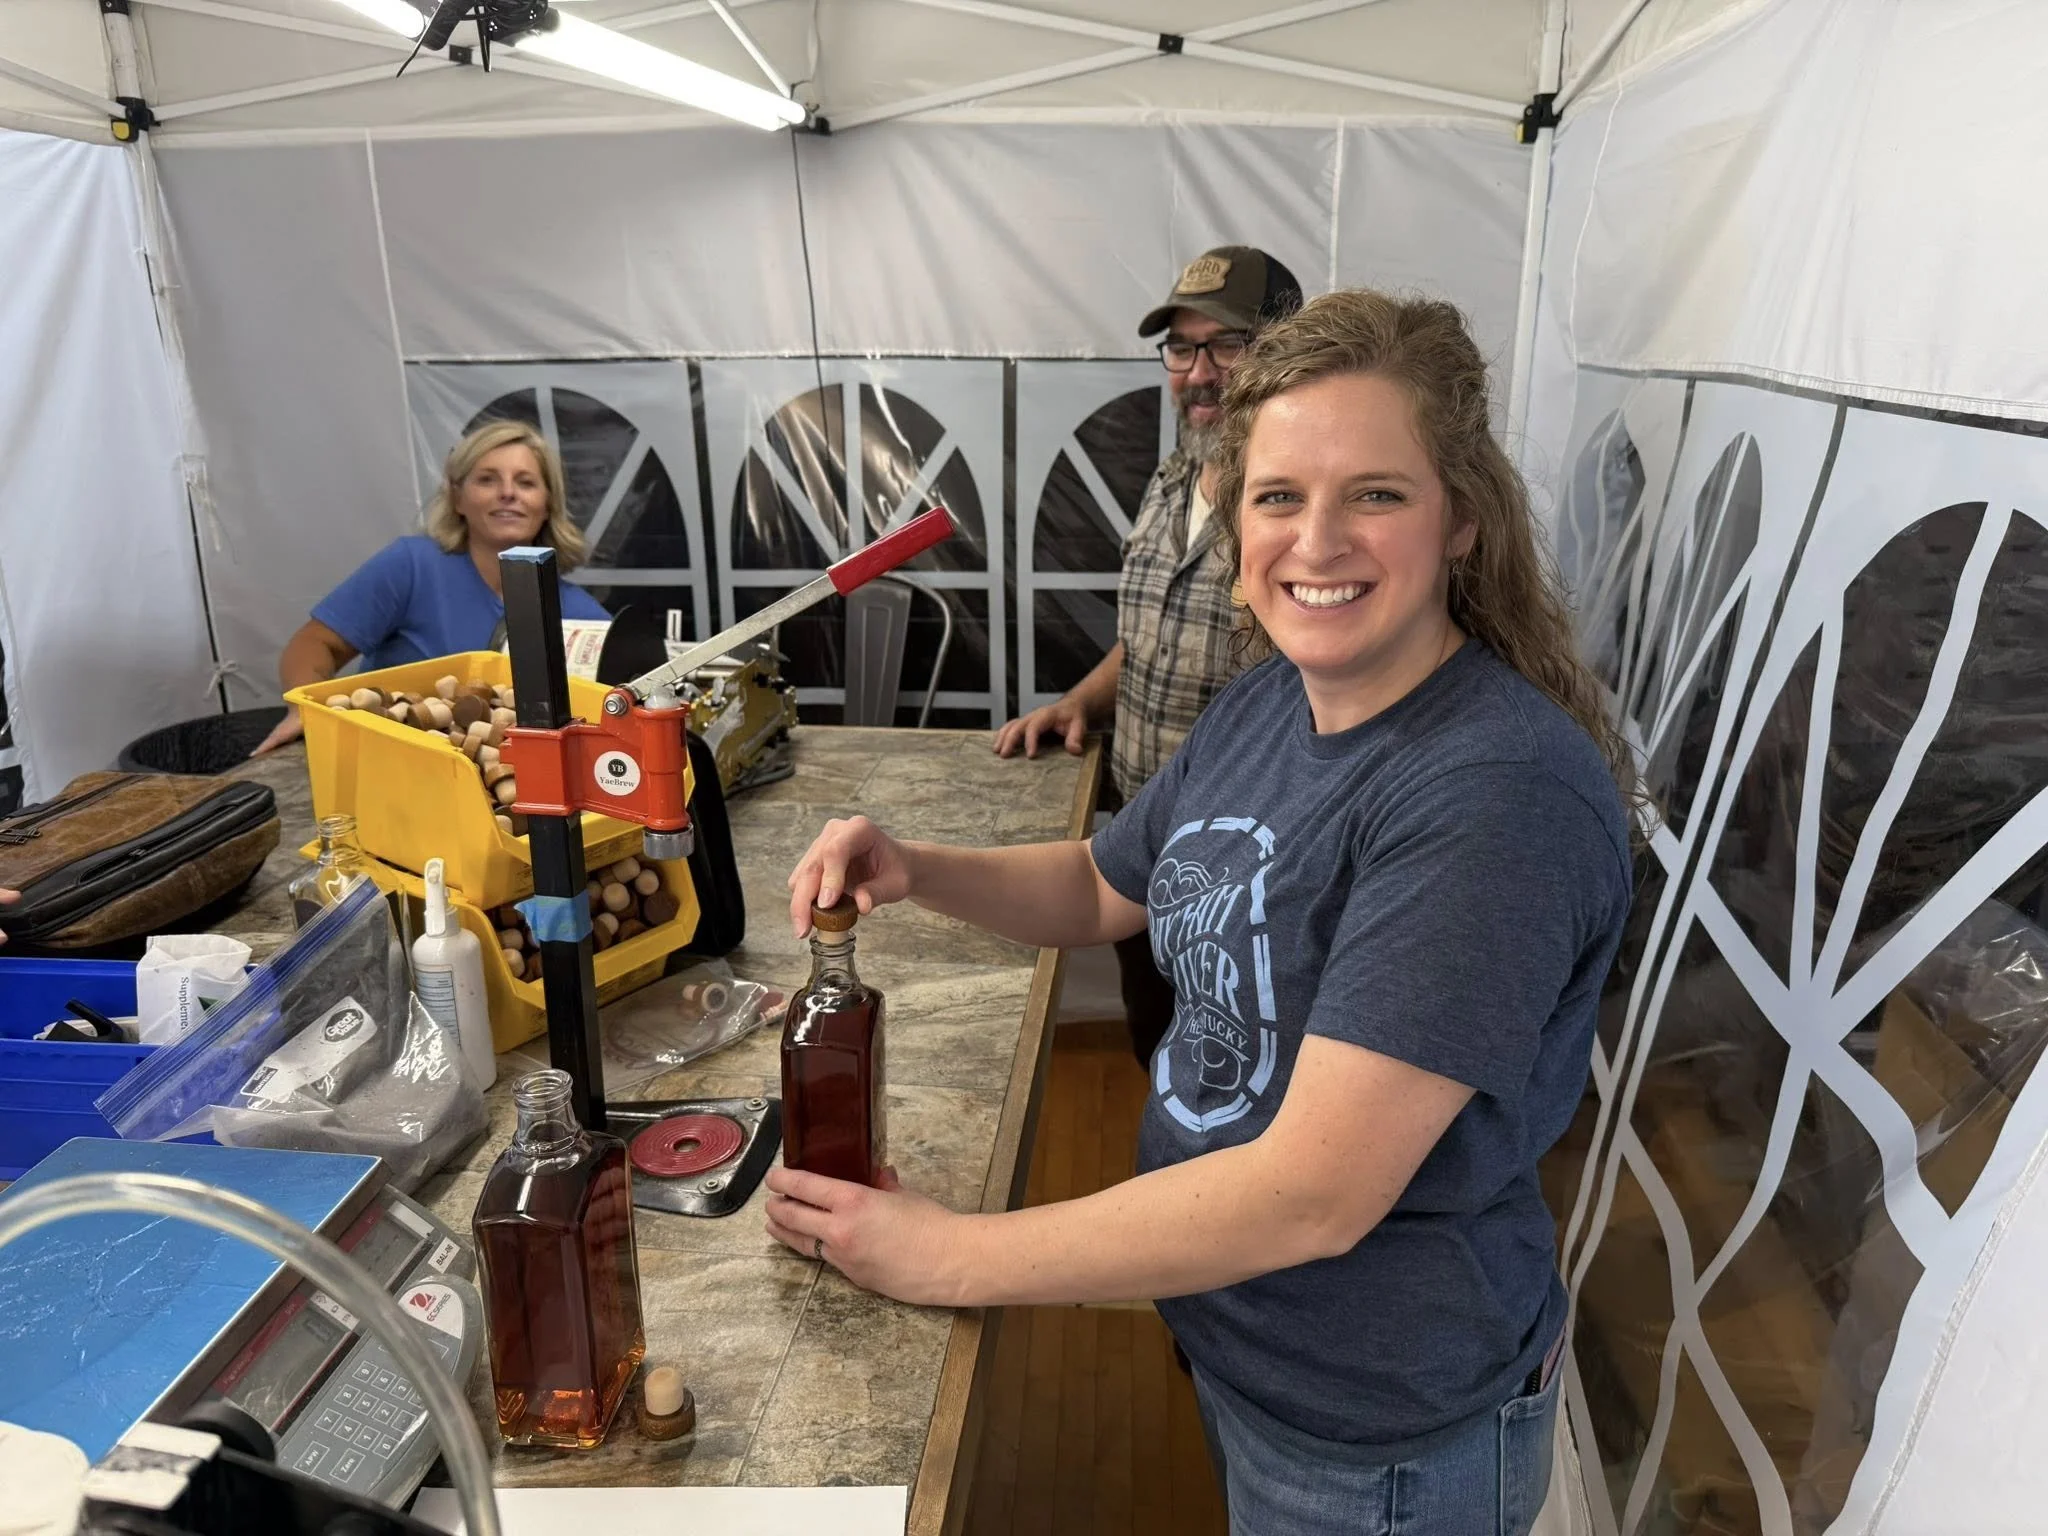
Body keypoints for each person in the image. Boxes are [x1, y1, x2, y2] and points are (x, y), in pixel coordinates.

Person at [771, 291, 1636, 1534]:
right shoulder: (1271, 701)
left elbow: (1310, 1195)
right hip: (1241, 1334)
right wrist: (917, 864)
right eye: (1278, 496)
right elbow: (1105, 887)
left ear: (1462, 522)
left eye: (1375, 494)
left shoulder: (1489, 796)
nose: (1316, 540)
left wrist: (951, 1255)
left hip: (1374, 1420)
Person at [994, 244, 1304, 1068]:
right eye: (1182, 348)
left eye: (1228, 345)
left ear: (1286, 352)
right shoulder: (1175, 476)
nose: (1199, 373)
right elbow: (1152, 636)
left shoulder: (1301, 505)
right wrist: (1081, 703)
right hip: (1144, 839)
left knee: (1239, 1073)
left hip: (1248, 872)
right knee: (1156, 1046)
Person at [250, 420, 608, 755]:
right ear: (457, 498)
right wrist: (306, 708)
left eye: (526, 482)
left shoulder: (584, 616)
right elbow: (313, 644)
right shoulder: (411, 565)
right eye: (487, 479)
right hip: (388, 763)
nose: (508, 493)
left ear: (547, 505)